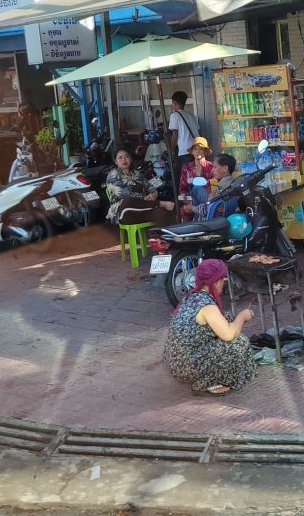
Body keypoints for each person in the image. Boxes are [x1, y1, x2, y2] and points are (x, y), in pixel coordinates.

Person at [164, 259, 258, 395]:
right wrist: (242, 316)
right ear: (215, 282)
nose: (224, 282)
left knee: (228, 318)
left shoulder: (193, 296)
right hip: (185, 366)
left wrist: (234, 319)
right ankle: (205, 383)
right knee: (239, 343)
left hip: (176, 360)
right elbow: (229, 335)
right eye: (222, 279)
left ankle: (207, 376)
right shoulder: (207, 306)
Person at [104, 148, 175, 226]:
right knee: (128, 201)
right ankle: (161, 204)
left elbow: (150, 186)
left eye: (127, 156)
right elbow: (123, 194)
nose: (124, 160)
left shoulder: (138, 174)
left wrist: (153, 194)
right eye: (120, 158)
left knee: (161, 213)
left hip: (143, 208)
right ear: (116, 161)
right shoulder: (113, 175)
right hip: (125, 211)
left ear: (130, 159)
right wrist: (144, 199)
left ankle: (159, 234)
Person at [179, 137, 215, 218]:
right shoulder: (186, 167)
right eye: (195, 149)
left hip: (208, 200)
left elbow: (214, 188)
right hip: (191, 200)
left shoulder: (211, 167)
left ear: (205, 151)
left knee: (197, 188)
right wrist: (186, 200)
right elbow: (182, 189)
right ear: (192, 151)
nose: (197, 151)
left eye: (201, 149)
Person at [168, 91, 200, 162]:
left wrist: (171, 151)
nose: (171, 105)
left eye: (172, 103)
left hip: (185, 152)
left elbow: (175, 135)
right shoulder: (192, 115)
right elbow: (199, 132)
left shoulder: (174, 115)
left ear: (175, 103)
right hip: (197, 150)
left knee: (183, 169)